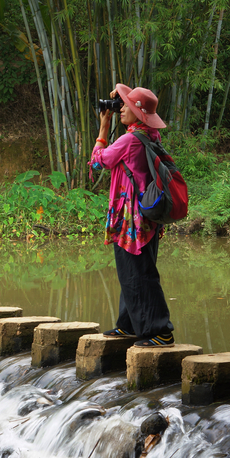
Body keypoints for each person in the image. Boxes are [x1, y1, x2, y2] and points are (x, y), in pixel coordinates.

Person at [88, 84, 174, 347]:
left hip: (130, 218)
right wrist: (122, 97)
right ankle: (128, 325)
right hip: (147, 216)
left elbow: (97, 162)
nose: (121, 108)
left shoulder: (128, 140)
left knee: (138, 273)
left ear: (139, 113)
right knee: (132, 272)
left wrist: (103, 128)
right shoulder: (150, 136)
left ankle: (161, 331)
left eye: (126, 105)